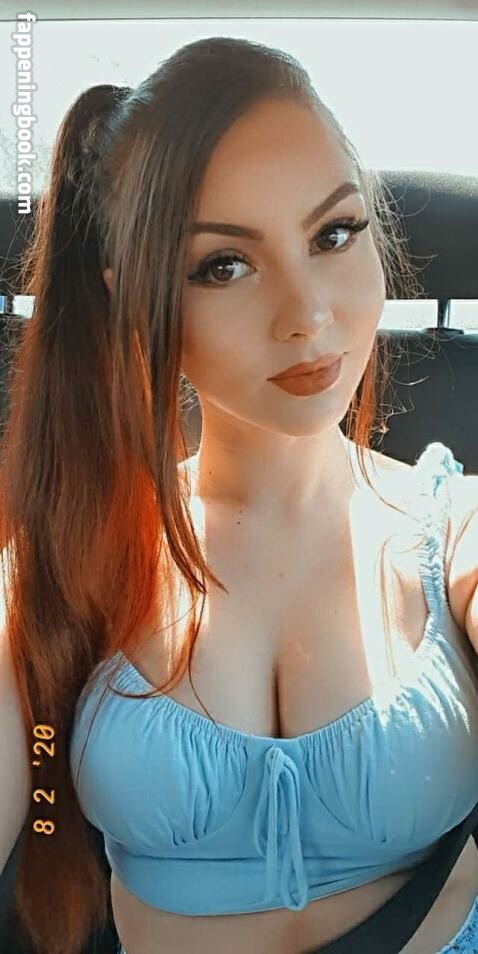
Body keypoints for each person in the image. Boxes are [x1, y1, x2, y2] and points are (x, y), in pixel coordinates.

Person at [1, 36, 477, 954]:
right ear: (133, 300)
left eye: (334, 234)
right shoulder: (68, 560)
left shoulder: (452, 530)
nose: (308, 314)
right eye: (224, 265)